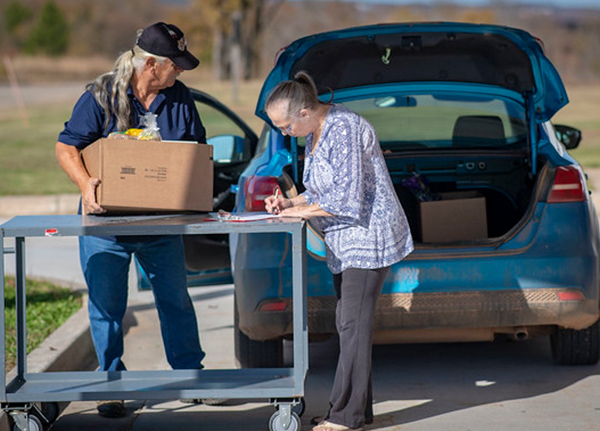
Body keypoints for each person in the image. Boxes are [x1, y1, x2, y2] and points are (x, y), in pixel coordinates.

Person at [55, 22, 206, 418]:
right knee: (106, 306)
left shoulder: (179, 98)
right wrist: (86, 185)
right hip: (105, 226)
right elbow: (66, 146)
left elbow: (196, 153)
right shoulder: (100, 96)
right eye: (176, 65)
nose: (181, 71)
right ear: (152, 64)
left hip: (161, 225)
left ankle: (191, 376)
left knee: (175, 301)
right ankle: (110, 385)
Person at [264, 71, 414, 431]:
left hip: (367, 237)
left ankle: (345, 418)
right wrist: (290, 202)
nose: (284, 134)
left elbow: (345, 200)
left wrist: (300, 211)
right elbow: (320, 190)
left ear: (302, 112)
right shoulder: (316, 131)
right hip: (345, 241)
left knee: (353, 325)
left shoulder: (344, 128)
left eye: (285, 126)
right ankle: (355, 411)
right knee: (348, 324)